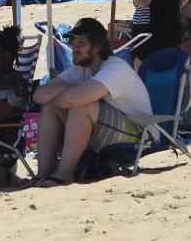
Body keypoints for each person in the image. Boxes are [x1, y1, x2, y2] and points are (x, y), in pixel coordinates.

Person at [32, 18, 154, 186]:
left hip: (141, 134)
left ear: (97, 46)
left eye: (81, 42)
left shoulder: (115, 68)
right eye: (73, 41)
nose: (74, 47)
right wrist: (64, 96)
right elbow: (39, 95)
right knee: (50, 105)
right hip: (112, 130)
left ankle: (64, 173)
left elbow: (74, 99)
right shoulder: (80, 70)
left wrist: (65, 95)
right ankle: (43, 173)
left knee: (83, 105)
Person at [127, 0, 191, 64]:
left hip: (171, 31)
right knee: (145, 74)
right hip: (146, 34)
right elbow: (144, 1)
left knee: (170, 72)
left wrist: (176, 5)